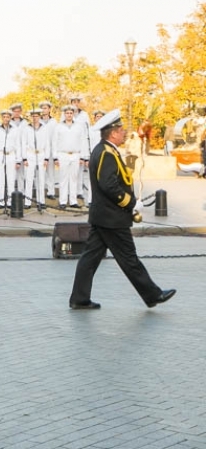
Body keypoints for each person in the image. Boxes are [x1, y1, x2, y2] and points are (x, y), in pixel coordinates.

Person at [69, 110, 176, 310]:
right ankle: (152, 295)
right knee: (129, 258)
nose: (124, 133)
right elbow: (108, 185)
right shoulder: (106, 153)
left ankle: (79, 298)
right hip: (112, 218)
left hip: (104, 217)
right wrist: (130, 203)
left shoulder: (105, 150)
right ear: (112, 133)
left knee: (90, 258)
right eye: (121, 130)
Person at [51, 105, 88, 209]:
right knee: (63, 178)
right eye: (67, 113)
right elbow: (54, 142)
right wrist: (55, 157)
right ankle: (62, 201)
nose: (69, 115)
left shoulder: (79, 127)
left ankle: (73, 201)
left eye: (71, 113)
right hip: (63, 154)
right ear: (64, 114)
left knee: (74, 178)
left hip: (75, 154)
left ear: (73, 114)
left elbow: (83, 142)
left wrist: (82, 157)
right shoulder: (58, 127)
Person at [20, 109, 51, 209]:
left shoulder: (44, 128)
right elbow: (23, 144)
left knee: (41, 179)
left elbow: (47, 144)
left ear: (39, 117)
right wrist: (24, 158)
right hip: (30, 155)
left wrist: (46, 158)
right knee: (29, 179)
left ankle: (41, 201)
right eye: (33, 116)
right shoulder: (26, 128)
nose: (35, 118)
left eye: (37, 116)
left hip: (41, 154)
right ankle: (28, 202)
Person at [0, 109, 21, 208]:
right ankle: (1, 202)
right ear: (2, 118)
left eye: (8, 117)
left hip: (11, 155)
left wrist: (18, 160)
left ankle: (10, 202)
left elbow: (18, 145)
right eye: (4, 117)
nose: (6, 119)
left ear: (10, 118)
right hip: (0, 155)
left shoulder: (15, 129)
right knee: (0, 179)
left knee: (11, 179)